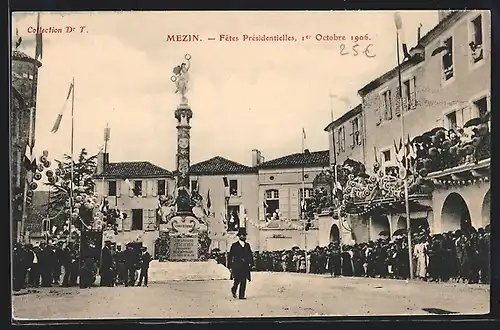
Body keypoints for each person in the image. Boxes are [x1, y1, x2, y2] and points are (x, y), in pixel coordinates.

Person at [227, 228, 254, 299]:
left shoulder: (247, 245)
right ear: (239, 236)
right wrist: (229, 266)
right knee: (237, 280)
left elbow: (250, 255)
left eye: (245, 236)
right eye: (242, 235)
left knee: (244, 280)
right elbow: (230, 256)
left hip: (245, 266)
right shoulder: (234, 245)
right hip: (237, 265)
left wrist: (251, 263)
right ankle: (234, 289)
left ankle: (241, 295)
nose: (244, 237)